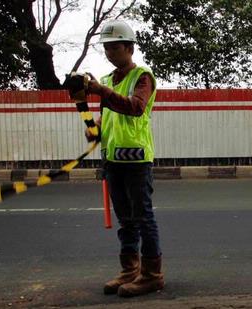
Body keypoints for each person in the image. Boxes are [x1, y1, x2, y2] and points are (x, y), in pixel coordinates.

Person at [75, 20, 164, 298]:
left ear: (130, 47)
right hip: (113, 162)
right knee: (126, 220)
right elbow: (101, 126)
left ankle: (152, 275)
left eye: (115, 47)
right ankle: (130, 271)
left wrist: (100, 92)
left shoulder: (142, 76)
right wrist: (83, 105)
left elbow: (136, 108)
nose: (110, 53)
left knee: (143, 218)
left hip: (137, 160)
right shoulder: (105, 81)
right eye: (107, 48)